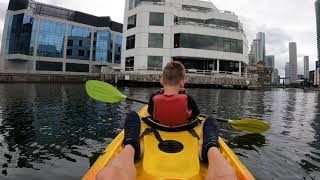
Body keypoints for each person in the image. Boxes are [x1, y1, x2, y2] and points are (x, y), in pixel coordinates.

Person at [96, 61, 237, 180]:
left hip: (157, 126)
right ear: (182, 83)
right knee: (211, 119)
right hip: (184, 128)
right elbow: (197, 114)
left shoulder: (154, 98)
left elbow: (150, 112)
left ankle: (131, 146)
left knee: (133, 115)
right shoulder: (188, 99)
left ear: (162, 81)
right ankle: (210, 148)